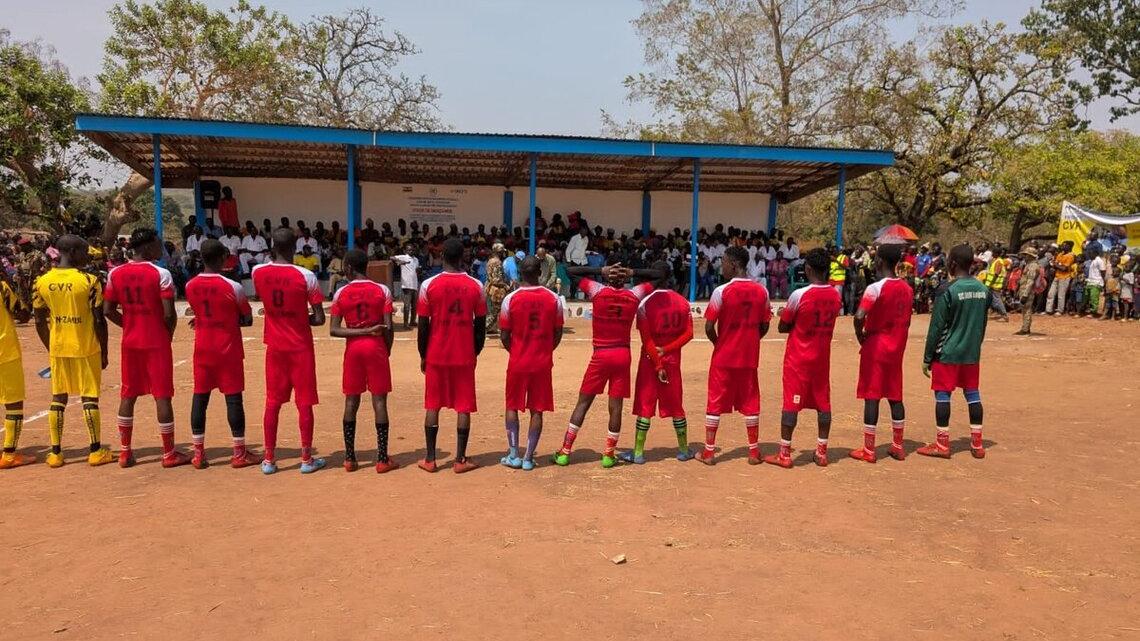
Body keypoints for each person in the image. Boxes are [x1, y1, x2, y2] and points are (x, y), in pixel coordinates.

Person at [553, 259, 656, 468]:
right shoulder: (634, 294)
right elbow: (661, 275)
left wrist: (601, 270)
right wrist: (631, 271)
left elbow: (570, 271)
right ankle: (609, 454)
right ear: (624, 279)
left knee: (583, 403)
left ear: (608, 277)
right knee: (615, 406)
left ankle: (565, 452)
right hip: (622, 354)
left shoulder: (597, 291)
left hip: (601, 354)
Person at [104, 228, 188, 468]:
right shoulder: (161, 274)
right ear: (148, 247)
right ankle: (168, 453)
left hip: (130, 341)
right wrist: (167, 335)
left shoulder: (115, 273)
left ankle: (125, 452)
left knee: (128, 394)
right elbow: (169, 314)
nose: (161, 247)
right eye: (158, 244)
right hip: (156, 341)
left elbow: (108, 310)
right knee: (162, 395)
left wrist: (129, 325)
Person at [31, 235, 113, 467]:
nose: (87, 256)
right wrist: (104, 351)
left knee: (58, 397)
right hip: (85, 346)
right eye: (85, 252)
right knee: (89, 397)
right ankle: (95, 450)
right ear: (74, 252)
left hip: (58, 347)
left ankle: (56, 453)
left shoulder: (41, 281)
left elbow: (39, 320)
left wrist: (51, 346)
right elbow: (99, 320)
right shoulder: (89, 280)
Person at [251, 227, 327, 474]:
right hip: (300, 347)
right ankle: (306, 459)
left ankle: (269, 459)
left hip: (275, 347)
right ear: (295, 247)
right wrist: (300, 318)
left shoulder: (257, 272)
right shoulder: (306, 276)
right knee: (304, 403)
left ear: (272, 245)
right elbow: (319, 318)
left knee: (272, 403)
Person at [184, 239, 258, 468]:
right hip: (228, 350)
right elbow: (247, 319)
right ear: (222, 258)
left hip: (203, 349)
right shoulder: (233, 286)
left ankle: (198, 453)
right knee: (233, 399)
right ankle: (239, 453)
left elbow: (199, 312)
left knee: (200, 397)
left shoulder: (190, 285)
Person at [764, 249, 842, 468]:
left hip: (798, 359)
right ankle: (821, 452)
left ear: (807, 269)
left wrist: (784, 316)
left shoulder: (799, 295)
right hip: (821, 359)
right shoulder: (835, 295)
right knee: (823, 403)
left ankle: (785, 454)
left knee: (791, 404)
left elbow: (783, 327)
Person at [416, 238, 487, 473]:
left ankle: (430, 459)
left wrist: (423, 354)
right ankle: (460, 460)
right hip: (464, 353)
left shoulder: (428, 285)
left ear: (442, 256)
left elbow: (423, 325)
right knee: (463, 406)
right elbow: (480, 325)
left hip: (436, 353)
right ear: (462, 257)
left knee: (432, 405)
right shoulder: (476, 286)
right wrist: (475, 351)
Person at [697, 246, 772, 465]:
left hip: (724, 356)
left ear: (734, 264)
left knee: (715, 401)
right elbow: (765, 325)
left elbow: (709, 327)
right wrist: (751, 340)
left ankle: (709, 453)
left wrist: (719, 344)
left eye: (724, 262)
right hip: (749, 356)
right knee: (751, 401)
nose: (722, 267)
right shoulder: (762, 291)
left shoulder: (721, 291)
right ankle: (753, 452)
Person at [330, 249, 398, 473]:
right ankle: (382, 459)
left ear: (348, 268)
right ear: (366, 267)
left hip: (353, 349)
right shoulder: (382, 290)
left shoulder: (341, 292)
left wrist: (359, 331)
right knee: (379, 401)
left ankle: (350, 458)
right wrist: (386, 349)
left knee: (351, 401)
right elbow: (388, 327)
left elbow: (334, 330)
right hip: (376, 347)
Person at [920, 243, 990, 459]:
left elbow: (937, 326)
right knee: (973, 394)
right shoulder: (983, 290)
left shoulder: (948, 290)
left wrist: (927, 357)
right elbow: (982, 324)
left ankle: (942, 445)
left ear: (952, 264)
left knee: (943, 396)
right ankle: (977, 444)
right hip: (971, 353)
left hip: (947, 352)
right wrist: (975, 346)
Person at [620, 262, 694, 465]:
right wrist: (668, 350)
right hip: (673, 361)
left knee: (645, 405)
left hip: (650, 361)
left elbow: (647, 340)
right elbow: (689, 333)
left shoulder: (645, 304)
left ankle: (638, 453)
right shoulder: (683, 302)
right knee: (676, 405)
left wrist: (658, 362)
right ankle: (683, 450)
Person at [498, 256, 564, 471]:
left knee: (512, 405)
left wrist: (516, 351)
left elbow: (504, 335)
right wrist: (545, 351)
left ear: (520, 273)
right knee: (537, 409)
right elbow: (558, 333)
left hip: (518, 361)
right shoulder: (553, 298)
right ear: (540, 272)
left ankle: (513, 455)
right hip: (542, 363)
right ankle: (528, 458)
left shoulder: (510, 299)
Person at [850, 244, 912, 463]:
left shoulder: (875, 288)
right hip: (897, 347)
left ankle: (869, 450)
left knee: (872, 395)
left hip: (876, 346)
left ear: (880, 262)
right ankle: (898, 446)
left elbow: (859, 316)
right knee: (895, 395)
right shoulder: (907, 288)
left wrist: (860, 335)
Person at [0, 272, 32, 468]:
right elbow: (23, 314)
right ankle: (9, 454)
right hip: (5, 352)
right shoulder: (2, 288)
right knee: (13, 401)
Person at [1015, 247, 1043, 336]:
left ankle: (1025, 329)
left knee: (1027, 309)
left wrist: (1025, 294)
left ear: (1031, 256)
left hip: (1028, 290)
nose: (1024, 256)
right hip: (1024, 289)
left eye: (1026, 255)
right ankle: (1025, 327)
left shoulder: (1033, 266)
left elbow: (1031, 281)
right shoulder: (1029, 264)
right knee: (1024, 309)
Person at [392, 244, 420, 329]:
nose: (411, 251)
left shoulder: (416, 259)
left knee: (414, 305)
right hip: (406, 285)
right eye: (409, 250)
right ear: (405, 251)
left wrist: (418, 270)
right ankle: (405, 324)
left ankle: (412, 321)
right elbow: (391, 257)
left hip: (414, 284)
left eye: (412, 250)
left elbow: (416, 271)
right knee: (407, 305)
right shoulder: (404, 257)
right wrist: (400, 262)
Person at [484, 243, 508, 335]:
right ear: (499, 252)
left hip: (489, 288)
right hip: (495, 290)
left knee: (493, 311)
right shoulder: (497, 262)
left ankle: (492, 328)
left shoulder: (490, 260)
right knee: (494, 312)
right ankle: (483, 329)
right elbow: (496, 279)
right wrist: (505, 285)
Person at [1045, 241, 1075, 315]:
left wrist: (1056, 265)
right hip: (1057, 276)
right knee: (1051, 293)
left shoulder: (1070, 256)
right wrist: (1057, 265)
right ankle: (1048, 310)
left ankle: (1060, 310)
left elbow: (1064, 268)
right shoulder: (1060, 254)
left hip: (1065, 277)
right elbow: (1056, 264)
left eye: (1064, 245)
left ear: (1069, 247)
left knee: (1061, 295)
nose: (1062, 246)